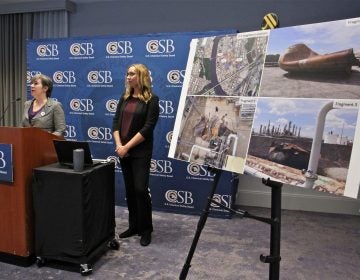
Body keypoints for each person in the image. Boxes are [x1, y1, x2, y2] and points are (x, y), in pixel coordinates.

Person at [112, 63, 159, 246]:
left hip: (140, 152)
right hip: (123, 152)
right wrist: (119, 145)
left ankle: (146, 229)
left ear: (141, 76)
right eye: (127, 74)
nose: (128, 77)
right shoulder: (124, 98)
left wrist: (127, 147)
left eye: (132, 74)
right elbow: (115, 122)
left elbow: (148, 128)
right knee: (130, 190)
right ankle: (134, 226)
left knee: (140, 189)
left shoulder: (152, 100)